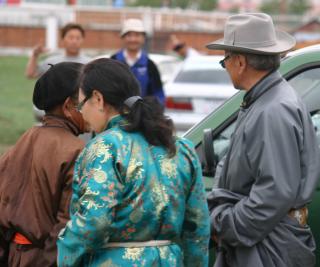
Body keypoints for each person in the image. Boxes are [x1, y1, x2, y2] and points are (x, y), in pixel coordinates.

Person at [57, 58, 210, 266]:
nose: (81, 112)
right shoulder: (181, 148)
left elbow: (94, 222)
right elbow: (198, 228)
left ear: (98, 99)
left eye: (81, 104)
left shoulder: (106, 148)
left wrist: (65, 255)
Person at [206, 13, 320, 267]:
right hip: (264, 241)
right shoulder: (265, 100)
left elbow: (275, 192)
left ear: (240, 61)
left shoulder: (273, 109)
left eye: (224, 60)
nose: (225, 67)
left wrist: (227, 226)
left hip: (267, 247)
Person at [0, 62, 86, 267]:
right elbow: (67, 224)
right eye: (85, 102)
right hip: (45, 259)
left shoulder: (23, 140)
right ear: (67, 107)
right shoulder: (77, 150)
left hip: (13, 255)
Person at [111, 18, 166, 105]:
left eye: (137, 35)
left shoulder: (149, 65)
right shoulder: (113, 62)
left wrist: (153, 113)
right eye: (129, 35)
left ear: (143, 38)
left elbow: (158, 94)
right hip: (116, 116)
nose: (133, 39)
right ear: (123, 38)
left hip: (143, 116)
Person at [25, 23, 90, 79]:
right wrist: (35, 55)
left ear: (83, 40)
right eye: (71, 37)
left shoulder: (90, 64)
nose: (74, 41)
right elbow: (31, 74)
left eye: (78, 38)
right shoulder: (52, 62)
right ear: (62, 39)